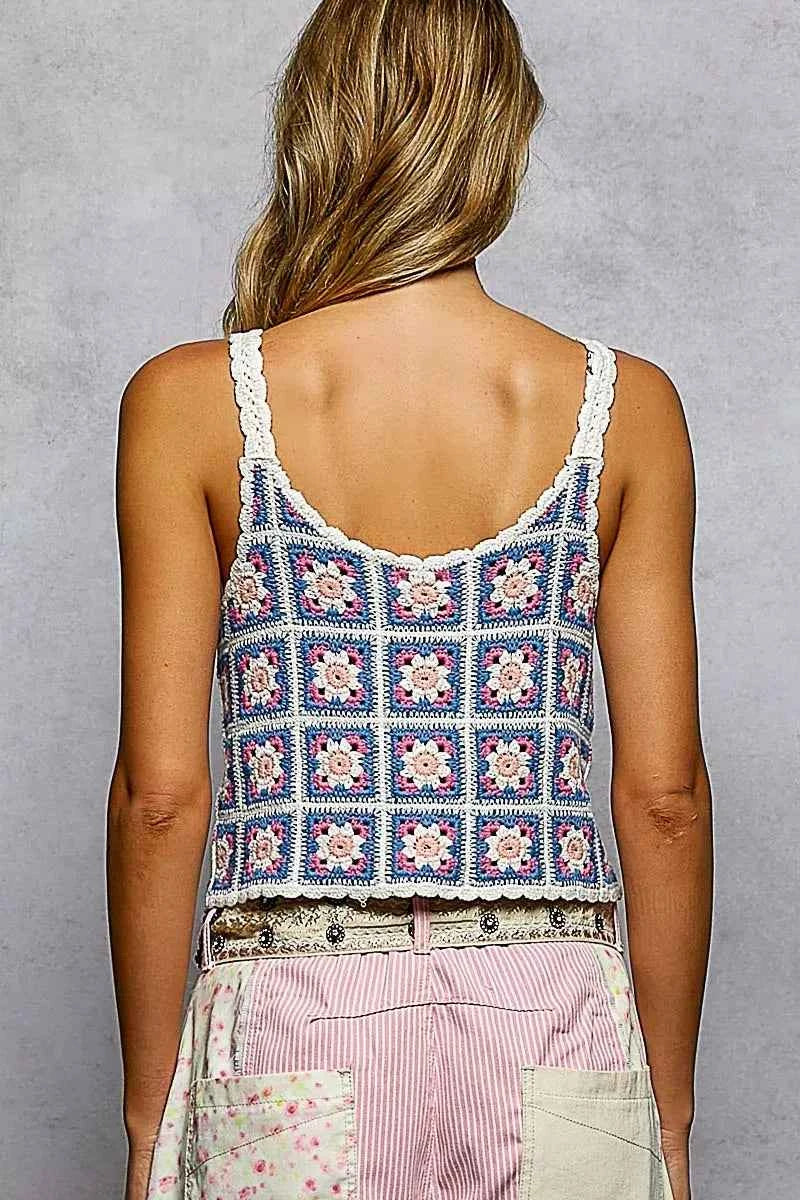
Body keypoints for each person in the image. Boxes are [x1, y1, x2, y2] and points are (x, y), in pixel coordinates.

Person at [106, 2, 712, 1198]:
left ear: (317, 123)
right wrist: (669, 1117)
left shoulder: (191, 402)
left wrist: (146, 1120)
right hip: (553, 1012)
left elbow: (161, 800)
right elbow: (664, 799)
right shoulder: (620, 405)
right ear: (500, 132)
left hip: (295, 1007)